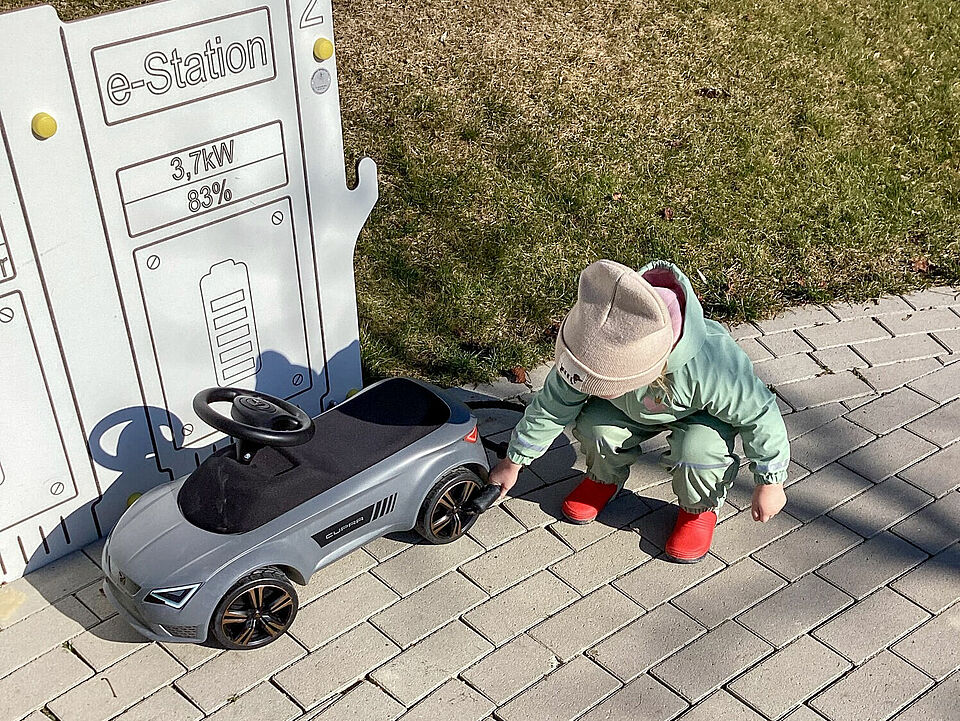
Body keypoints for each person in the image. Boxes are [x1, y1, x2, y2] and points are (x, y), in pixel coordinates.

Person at [488, 259, 789, 562]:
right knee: (597, 427)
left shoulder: (712, 366)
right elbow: (552, 406)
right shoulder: (593, 342)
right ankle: (603, 479)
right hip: (628, 406)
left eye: (600, 381)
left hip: (698, 415)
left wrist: (770, 480)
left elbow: (760, 415)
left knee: (698, 451)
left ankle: (698, 509)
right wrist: (514, 461)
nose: (588, 384)